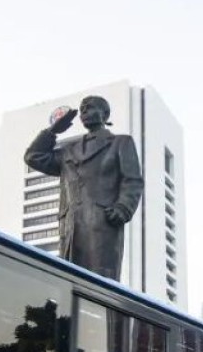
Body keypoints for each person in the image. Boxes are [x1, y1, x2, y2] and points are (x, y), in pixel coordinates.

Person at [24, 96, 143, 280]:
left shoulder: (120, 142)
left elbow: (132, 180)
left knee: (100, 283)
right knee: (69, 283)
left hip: (102, 222)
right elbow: (33, 157)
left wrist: (123, 207)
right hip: (70, 226)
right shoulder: (68, 150)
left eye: (90, 107)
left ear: (105, 114)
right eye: (82, 109)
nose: (84, 112)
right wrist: (51, 132)